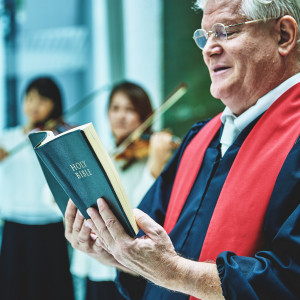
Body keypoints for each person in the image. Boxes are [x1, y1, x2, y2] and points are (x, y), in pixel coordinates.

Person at [65, 0, 300, 299]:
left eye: (225, 31)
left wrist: (173, 272)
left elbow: (291, 277)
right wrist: (117, 253)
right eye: (204, 36)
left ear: (283, 35)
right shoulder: (200, 138)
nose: (209, 49)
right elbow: (152, 246)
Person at [70, 81, 174, 300]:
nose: (120, 116)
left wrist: (154, 168)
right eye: (115, 108)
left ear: (144, 115)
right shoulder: (100, 156)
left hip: (132, 268)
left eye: (130, 109)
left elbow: (136, 213)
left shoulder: (155, 159)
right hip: (98, 265)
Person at [0, 77, 74, 300]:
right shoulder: (8, 138)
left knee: (51, 289)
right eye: (30, 98)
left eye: (42, 99)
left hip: (50, 226)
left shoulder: (58, 137)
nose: (34, 105)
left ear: (54, 104)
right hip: (16, 226)